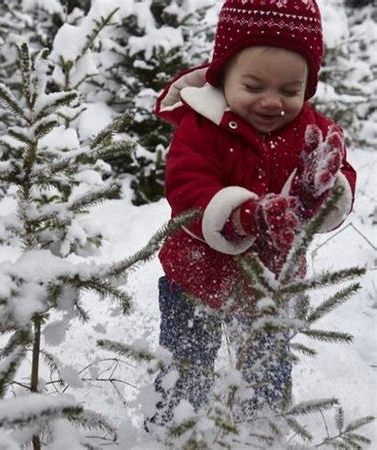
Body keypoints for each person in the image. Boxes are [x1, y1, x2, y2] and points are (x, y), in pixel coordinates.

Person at [147, 0, 357, 429]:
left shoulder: (313, 132)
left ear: (308, 86)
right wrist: (243, 215)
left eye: (289, 90)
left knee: (266, 374)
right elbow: (188, 189)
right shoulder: (202, 126)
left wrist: (325, 192)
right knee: (185, 372)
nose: (271, 102)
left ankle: (261, 431)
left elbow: (340, 182)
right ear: (223, 75)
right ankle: (168, 432)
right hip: (195, 276)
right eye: (255, 85)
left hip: (270, 284)